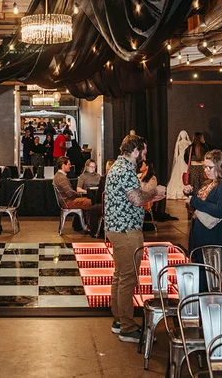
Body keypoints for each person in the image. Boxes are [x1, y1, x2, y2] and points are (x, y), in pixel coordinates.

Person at [104, 134, 167, 343]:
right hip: (126, 230)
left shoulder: (118, 167)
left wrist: (149, 195)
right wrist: (155, 191)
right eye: (144, 152)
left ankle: (119, 321)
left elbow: (134, 197)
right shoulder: (125, 170)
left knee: (120, 275)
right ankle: (128, 328)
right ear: (136, 151)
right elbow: (137, 198)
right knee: (128, 278)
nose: (145, 156)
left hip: (117, 228)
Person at [183, 150, 222, 291]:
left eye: (210, 167)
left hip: (217, 243)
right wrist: (190, 194)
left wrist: (194, 200)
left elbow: (221, 210)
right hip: (206, 241)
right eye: (205, 167)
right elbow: (204, 205)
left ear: (220, 166)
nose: (206, 170)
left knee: (217, 287)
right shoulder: (211, 184)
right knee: (206, 284)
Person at [53, 156, 102, 235]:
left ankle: (89, 226)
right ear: (63, 165)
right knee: (92, 203)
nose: (70, 166)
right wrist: (79, 194)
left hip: (67, 200)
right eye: (69, 164)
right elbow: (70, 193)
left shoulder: (59, 176)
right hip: (68, 202)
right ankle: (92, 228)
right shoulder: (61, 178)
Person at [167, 130, 191, 200]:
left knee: (180, 174)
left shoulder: (179, 142)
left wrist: (176, 160)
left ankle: (184, 190)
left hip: (181, 159)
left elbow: (176, 153)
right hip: (184, 160)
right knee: (182, 174)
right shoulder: (188, 142)